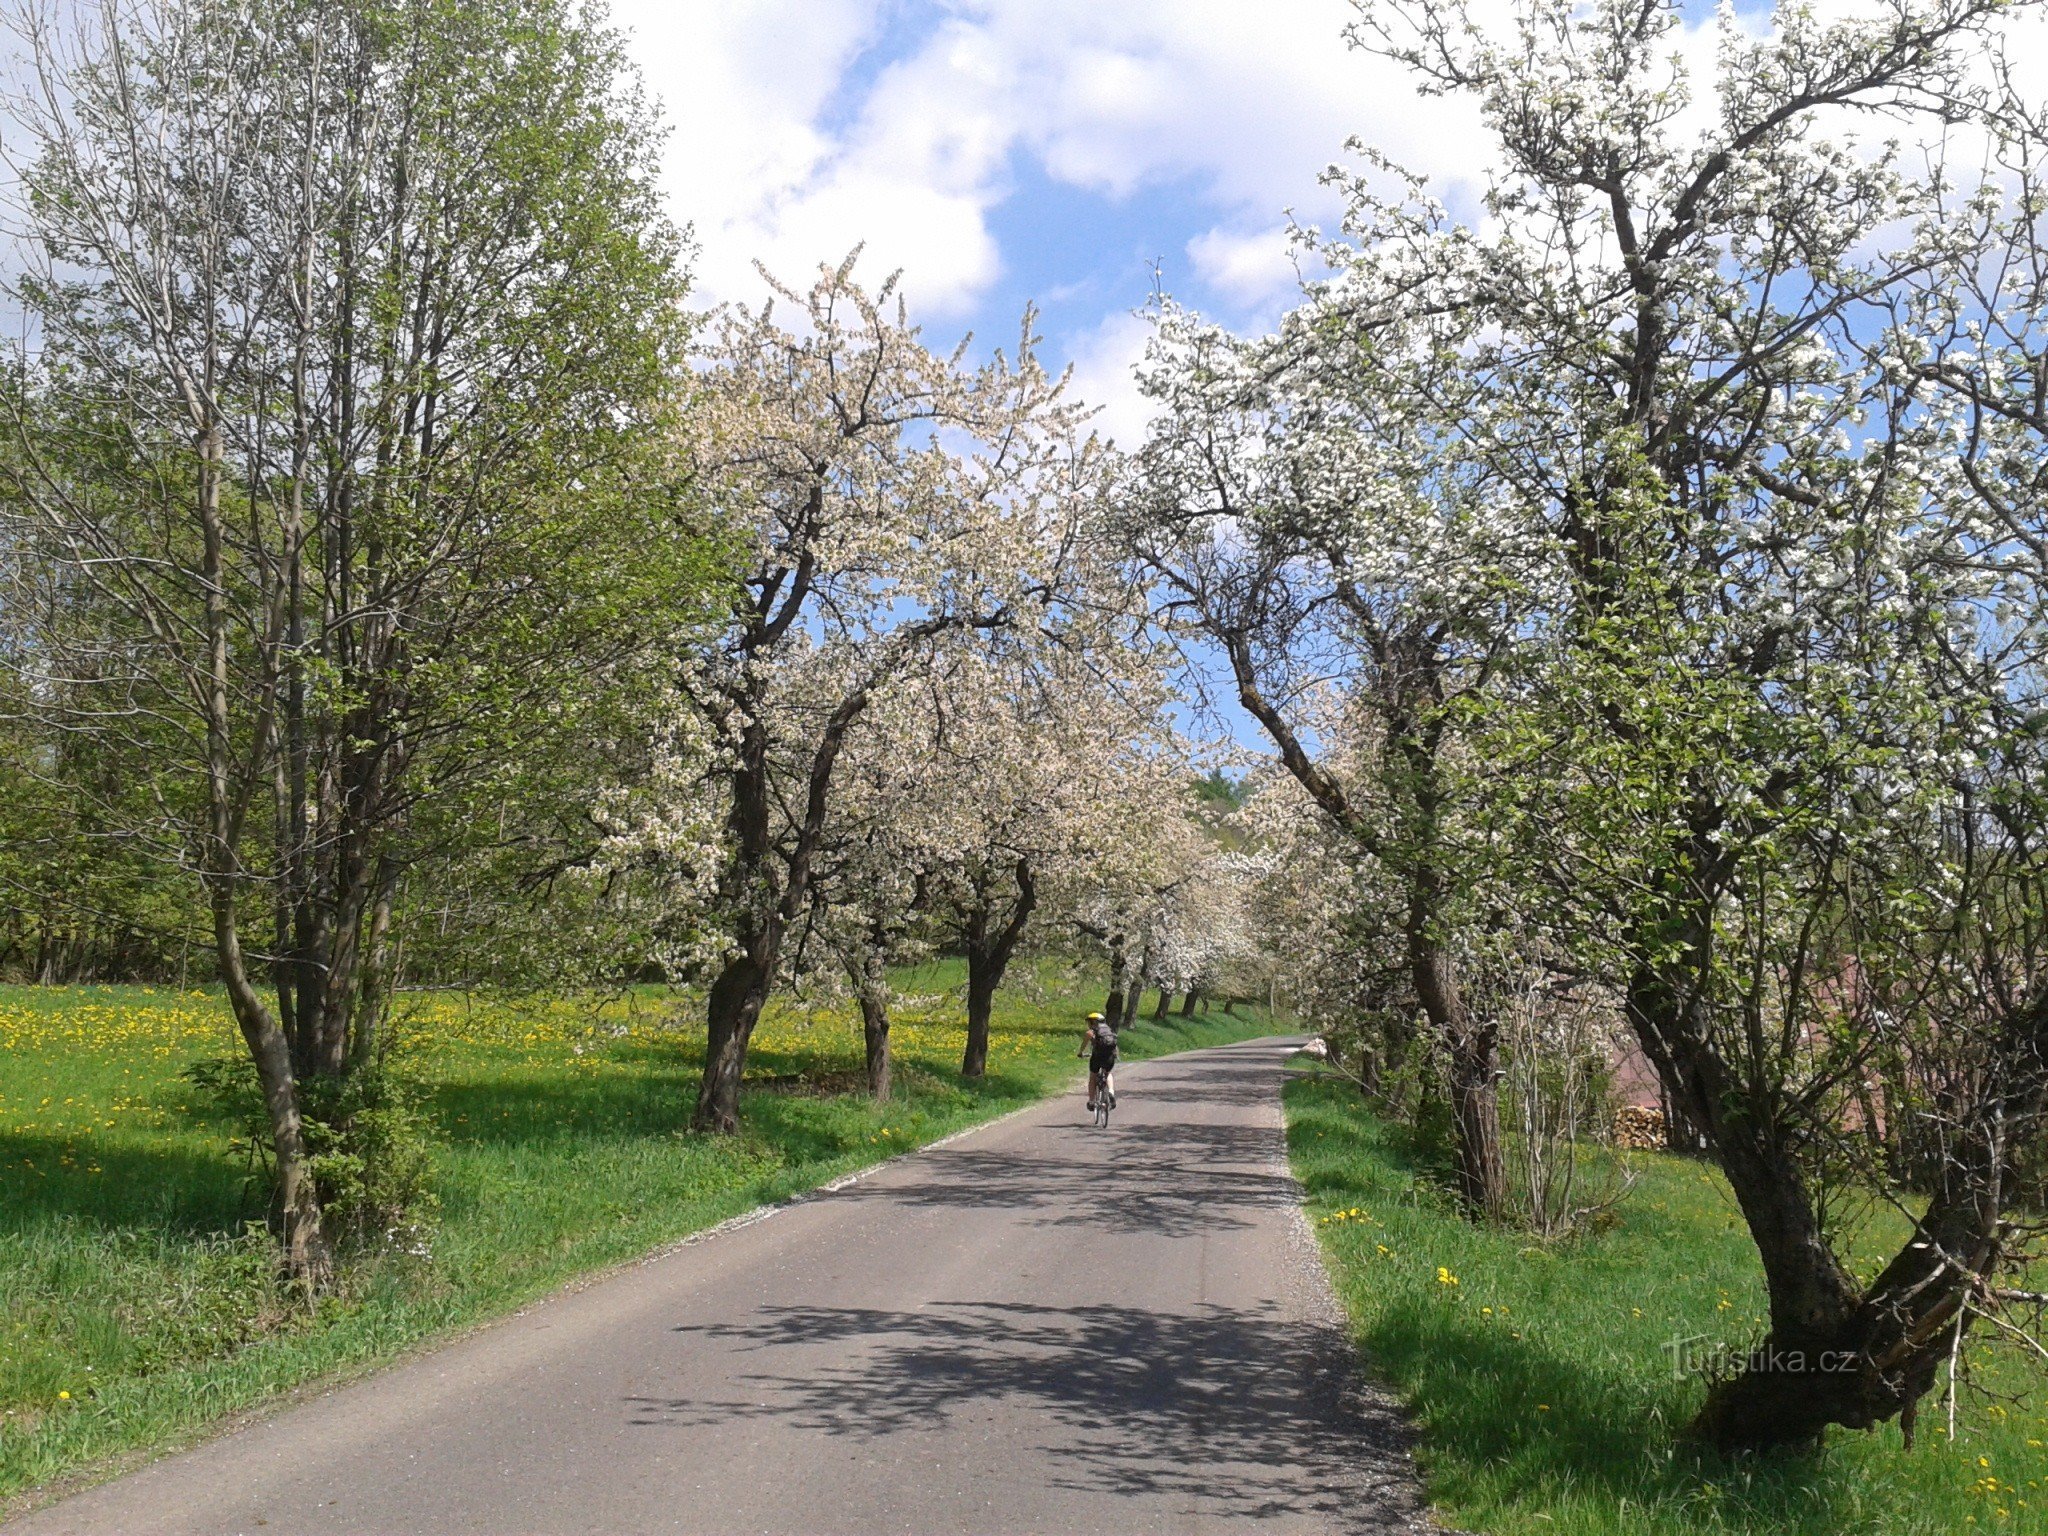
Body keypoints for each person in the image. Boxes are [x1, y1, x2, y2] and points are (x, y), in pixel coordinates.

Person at [1078, 1010, 1117, 1111]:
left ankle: (1091, 1101)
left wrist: (1081, 1053)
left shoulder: (1090, 1032)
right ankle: (1111, 1092)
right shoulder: (1109, 1031)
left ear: (1092, 1022)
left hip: (1097, 1057)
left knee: (1093, 1077)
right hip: (1109, 1057)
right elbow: (1114, 1045)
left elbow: (1084, 1045)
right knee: (1108, 1074)